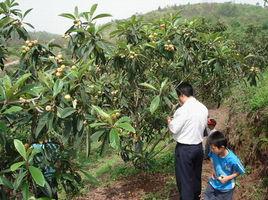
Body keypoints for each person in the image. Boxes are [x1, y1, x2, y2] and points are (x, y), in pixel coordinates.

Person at [167, 82, 208, 200]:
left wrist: (169, 122)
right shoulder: (203, 108)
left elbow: (174, 128)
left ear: (182, 95)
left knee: (184, 181)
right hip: (198, 148)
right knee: (195, 178)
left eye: (178, 96)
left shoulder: (183, 110)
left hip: (185, 149)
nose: (179, 99)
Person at [204, 131, 245, 200]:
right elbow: (211, 158)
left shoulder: (232, 159)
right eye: (211, 148)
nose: (211, 150)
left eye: (213, 148)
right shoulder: (214, 152)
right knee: (207, 197)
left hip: (226, 189)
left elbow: (241, 170)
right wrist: (214, 169)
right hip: (213, 183)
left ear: (222, 148)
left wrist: (228, 178)